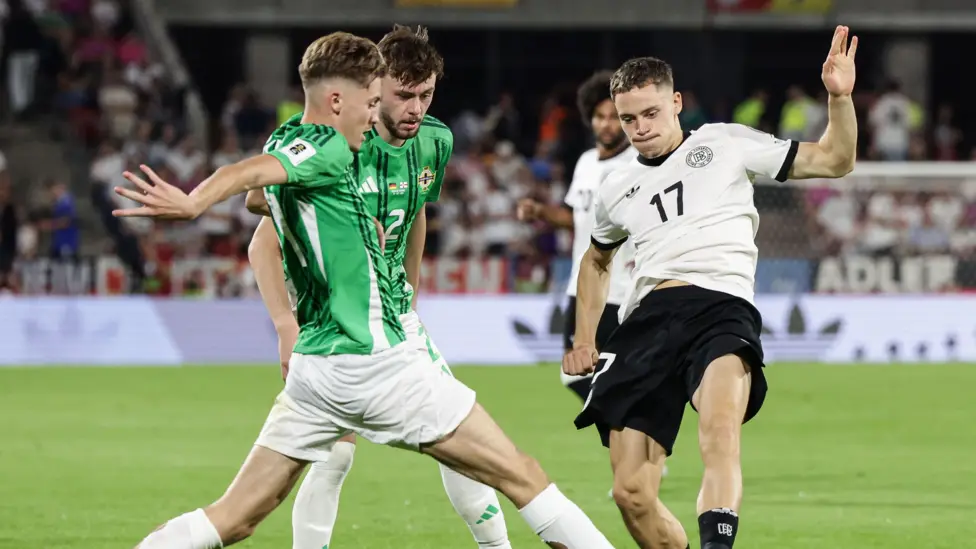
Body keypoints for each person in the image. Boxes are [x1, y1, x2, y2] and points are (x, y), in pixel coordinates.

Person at [116, 31, 616, 549]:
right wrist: (196, 203)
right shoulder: (333, 148)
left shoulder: (294, 140)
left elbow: (264, 177)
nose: (378, 113)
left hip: (317, 367)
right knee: (523, 475)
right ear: (339, 100)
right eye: (374, 101)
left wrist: (351, 231)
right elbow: (247, 179)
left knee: (233, 519)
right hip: (375, 358)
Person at [562, 26, 858, 549]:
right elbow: (595, 258)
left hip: (720, 309)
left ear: (676, 103)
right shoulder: (616, 187)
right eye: (629, 119)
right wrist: (584, 337)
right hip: (646, 322)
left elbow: (835, 160)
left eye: (650, 113)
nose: (639, 128)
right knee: (631, 494)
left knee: (720, 433)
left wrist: (839, 99)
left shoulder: (724, 142)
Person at [246, 25, 513, 549]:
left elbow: (416, 214)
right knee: (335, 453)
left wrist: (410, 294)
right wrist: (284, 325)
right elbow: (262, 241)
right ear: (373, 88)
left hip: (393, 317)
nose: (416, 108)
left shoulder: (434, 142)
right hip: (334, 320)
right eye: (402, 94)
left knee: (457, 440)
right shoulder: (341, 146)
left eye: (426, 95)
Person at [517, 70, 636, 403]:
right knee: (583, 375)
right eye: (600, 117)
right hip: (579, 286)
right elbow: (574, 217)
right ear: (589, 118)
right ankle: (629, 431)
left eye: (614, 117)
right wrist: (540, 212)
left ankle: (630, 431)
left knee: (594, 375)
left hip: (619, 289)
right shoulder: (585, 162)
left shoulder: (636, 164)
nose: (607, 124)